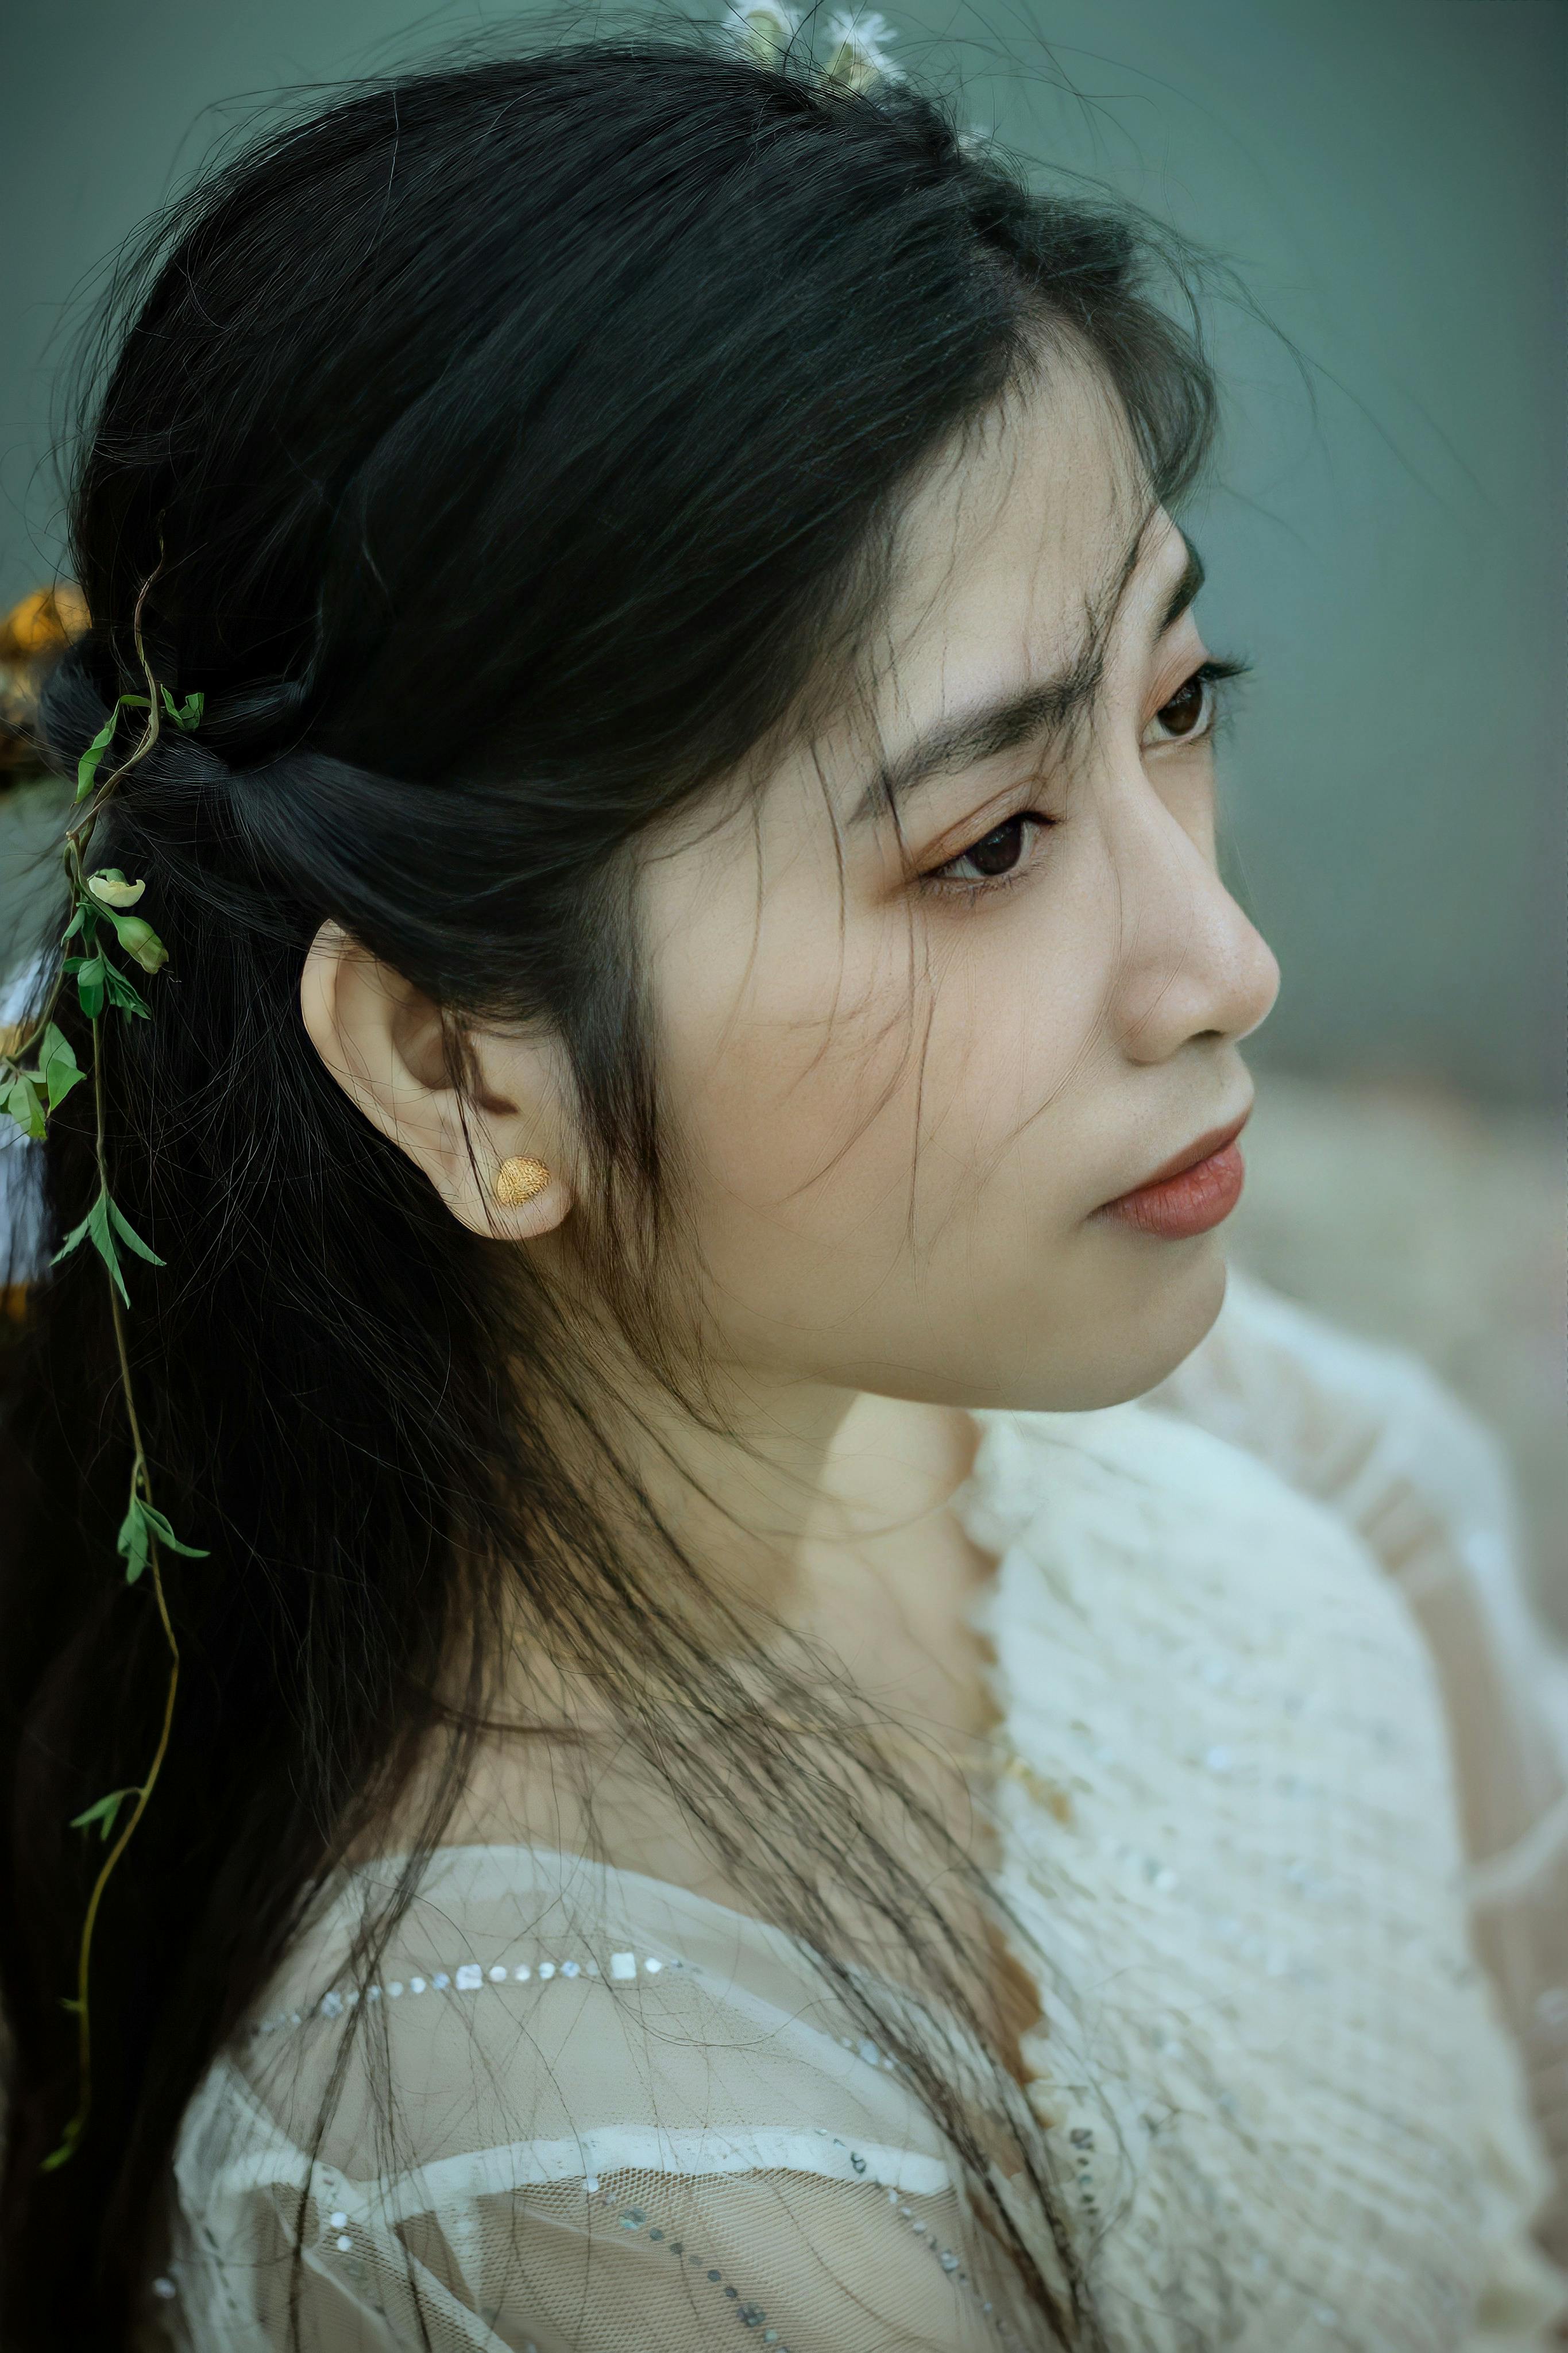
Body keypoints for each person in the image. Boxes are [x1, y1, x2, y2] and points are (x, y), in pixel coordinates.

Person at [0, 24, 1563, 2352]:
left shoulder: (1261, 1446)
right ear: (457, 1058)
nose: (1225, 963)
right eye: (986, 844)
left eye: (1175, 698)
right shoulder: (598, 2190)